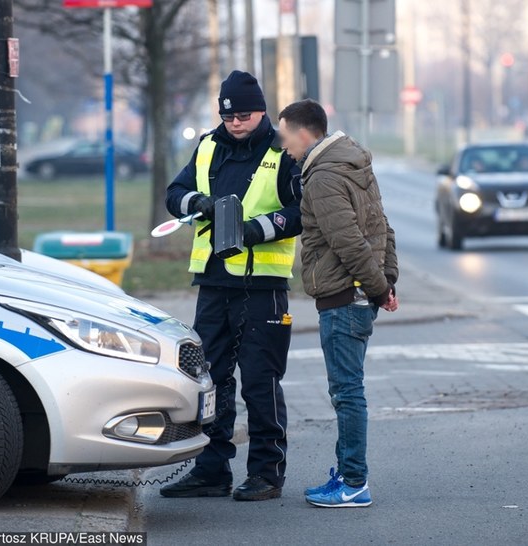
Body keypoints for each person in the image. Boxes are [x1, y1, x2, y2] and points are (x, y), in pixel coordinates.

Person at [160, 70, 301, 501]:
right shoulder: (208, 145)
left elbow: (301, 211)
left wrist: (257, 229)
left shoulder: (284, 150)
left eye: (243, 115)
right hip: (214, 282)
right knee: (211, 378)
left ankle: (266, 472)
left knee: (260, 380)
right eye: (228, 116)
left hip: (262, 285)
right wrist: (196, 203)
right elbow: (175, 192)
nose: (235, 123)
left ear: (261, 111)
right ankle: (210, 469)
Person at [277, 99, 399, 508]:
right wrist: (387, 282)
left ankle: (353, 482)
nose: (283, 146)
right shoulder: (353, 164)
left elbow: (348, 241)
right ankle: (348, 475)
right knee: (349, 390)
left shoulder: (323, 178)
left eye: (285, 137)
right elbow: (382, 226)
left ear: (304, 133)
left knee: (347, 393)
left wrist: (381, 288)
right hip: (360, 295)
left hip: (344, 297)